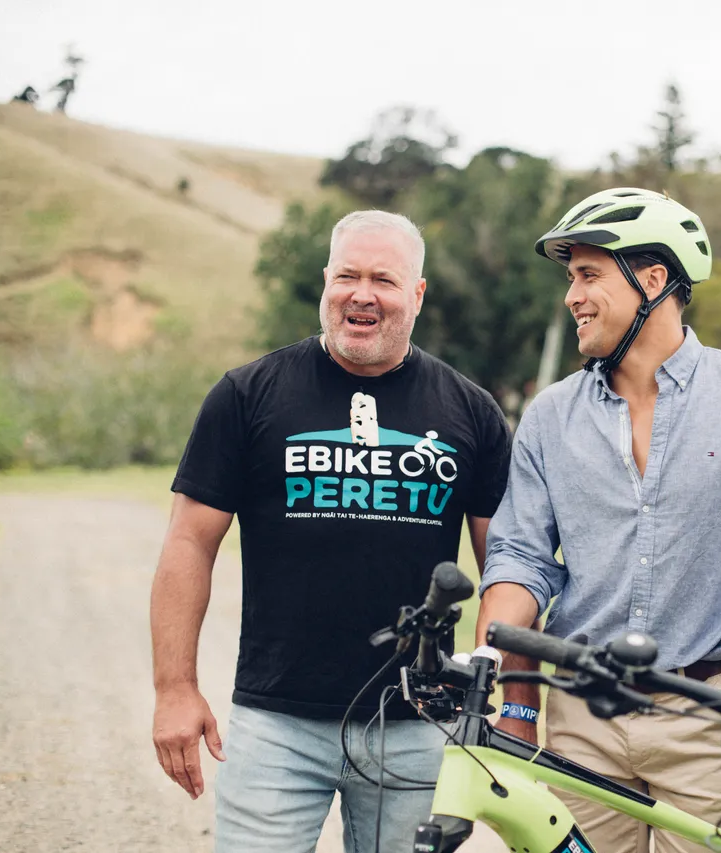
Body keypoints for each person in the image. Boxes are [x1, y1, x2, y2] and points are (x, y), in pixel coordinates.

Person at [475, 188, 721, 853]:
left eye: (589, 274)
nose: (571, 295)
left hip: (709, 720)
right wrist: (491, 652)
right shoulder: (549, 415)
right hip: (581, 720)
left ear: (653, 279)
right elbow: (522, 557)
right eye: (571, 277)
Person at [149, 210, 511, 852]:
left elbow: (508, 565)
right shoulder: (246, 395)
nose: (362, 294)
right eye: (347, 275)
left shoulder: (470, 411)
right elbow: (188, 543)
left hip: (417, 727)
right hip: (274, 725)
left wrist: (503, 700)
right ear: (326, 282)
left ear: (417, 295)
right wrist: (174, 689)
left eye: (384, 279)